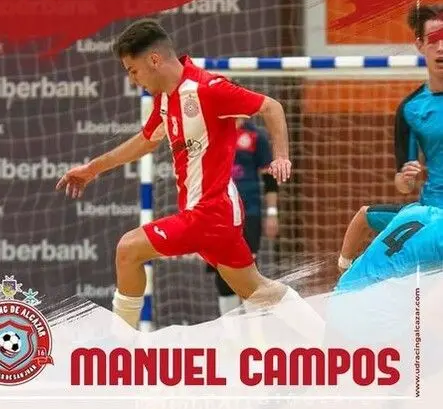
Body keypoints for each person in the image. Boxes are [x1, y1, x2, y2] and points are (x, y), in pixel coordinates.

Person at [56, 18, 324, 342]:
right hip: (217, 212)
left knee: (128, 248)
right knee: (257, 290)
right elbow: (146, 141)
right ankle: (328, 339)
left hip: (210, 211)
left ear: (154, 60)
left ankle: (119, 349)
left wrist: (281, 156)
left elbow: (271, 106)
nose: (132, 79)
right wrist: (92, 168)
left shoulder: (208, 89)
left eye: (133, 70)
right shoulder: (166, 98)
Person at [338, 3, 443, 272]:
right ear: (420, 45)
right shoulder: (411, 109)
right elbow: (402, 184)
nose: (441, 47)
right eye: (433, 39)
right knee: (364, 217)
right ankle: (346, 275)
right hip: (431, 215)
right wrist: (406, 178)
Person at [207, 118, 280, 316]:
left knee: (249, 270)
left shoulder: (256, 136)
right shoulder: (210, 133)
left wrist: (272, 213)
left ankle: (254, 330)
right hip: (217, 213)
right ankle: (230, 330)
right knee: (222, 269)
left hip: (249, 212)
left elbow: (269, 180)